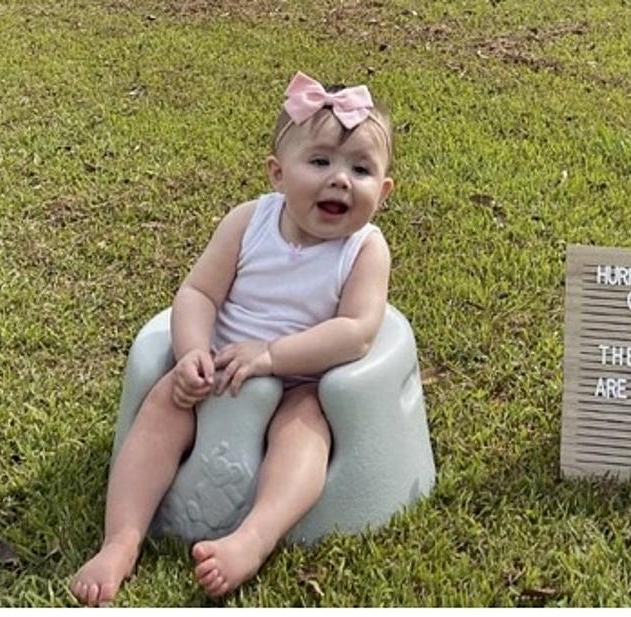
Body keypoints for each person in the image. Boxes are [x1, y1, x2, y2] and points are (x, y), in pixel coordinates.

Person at [70, 72, 395, 606]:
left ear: (382, 192)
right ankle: (121, 541)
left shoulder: (364, 250)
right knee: (161, 407)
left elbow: (356, 332)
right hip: (219, 367)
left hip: (302, 379)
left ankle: (254, 535)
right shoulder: (249, 221)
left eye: (360, 169)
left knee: (305, 431)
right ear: (277, 173)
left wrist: (273, 356)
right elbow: (198, 291)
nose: (341, 179)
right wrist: (193, 349)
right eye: (320, 162)